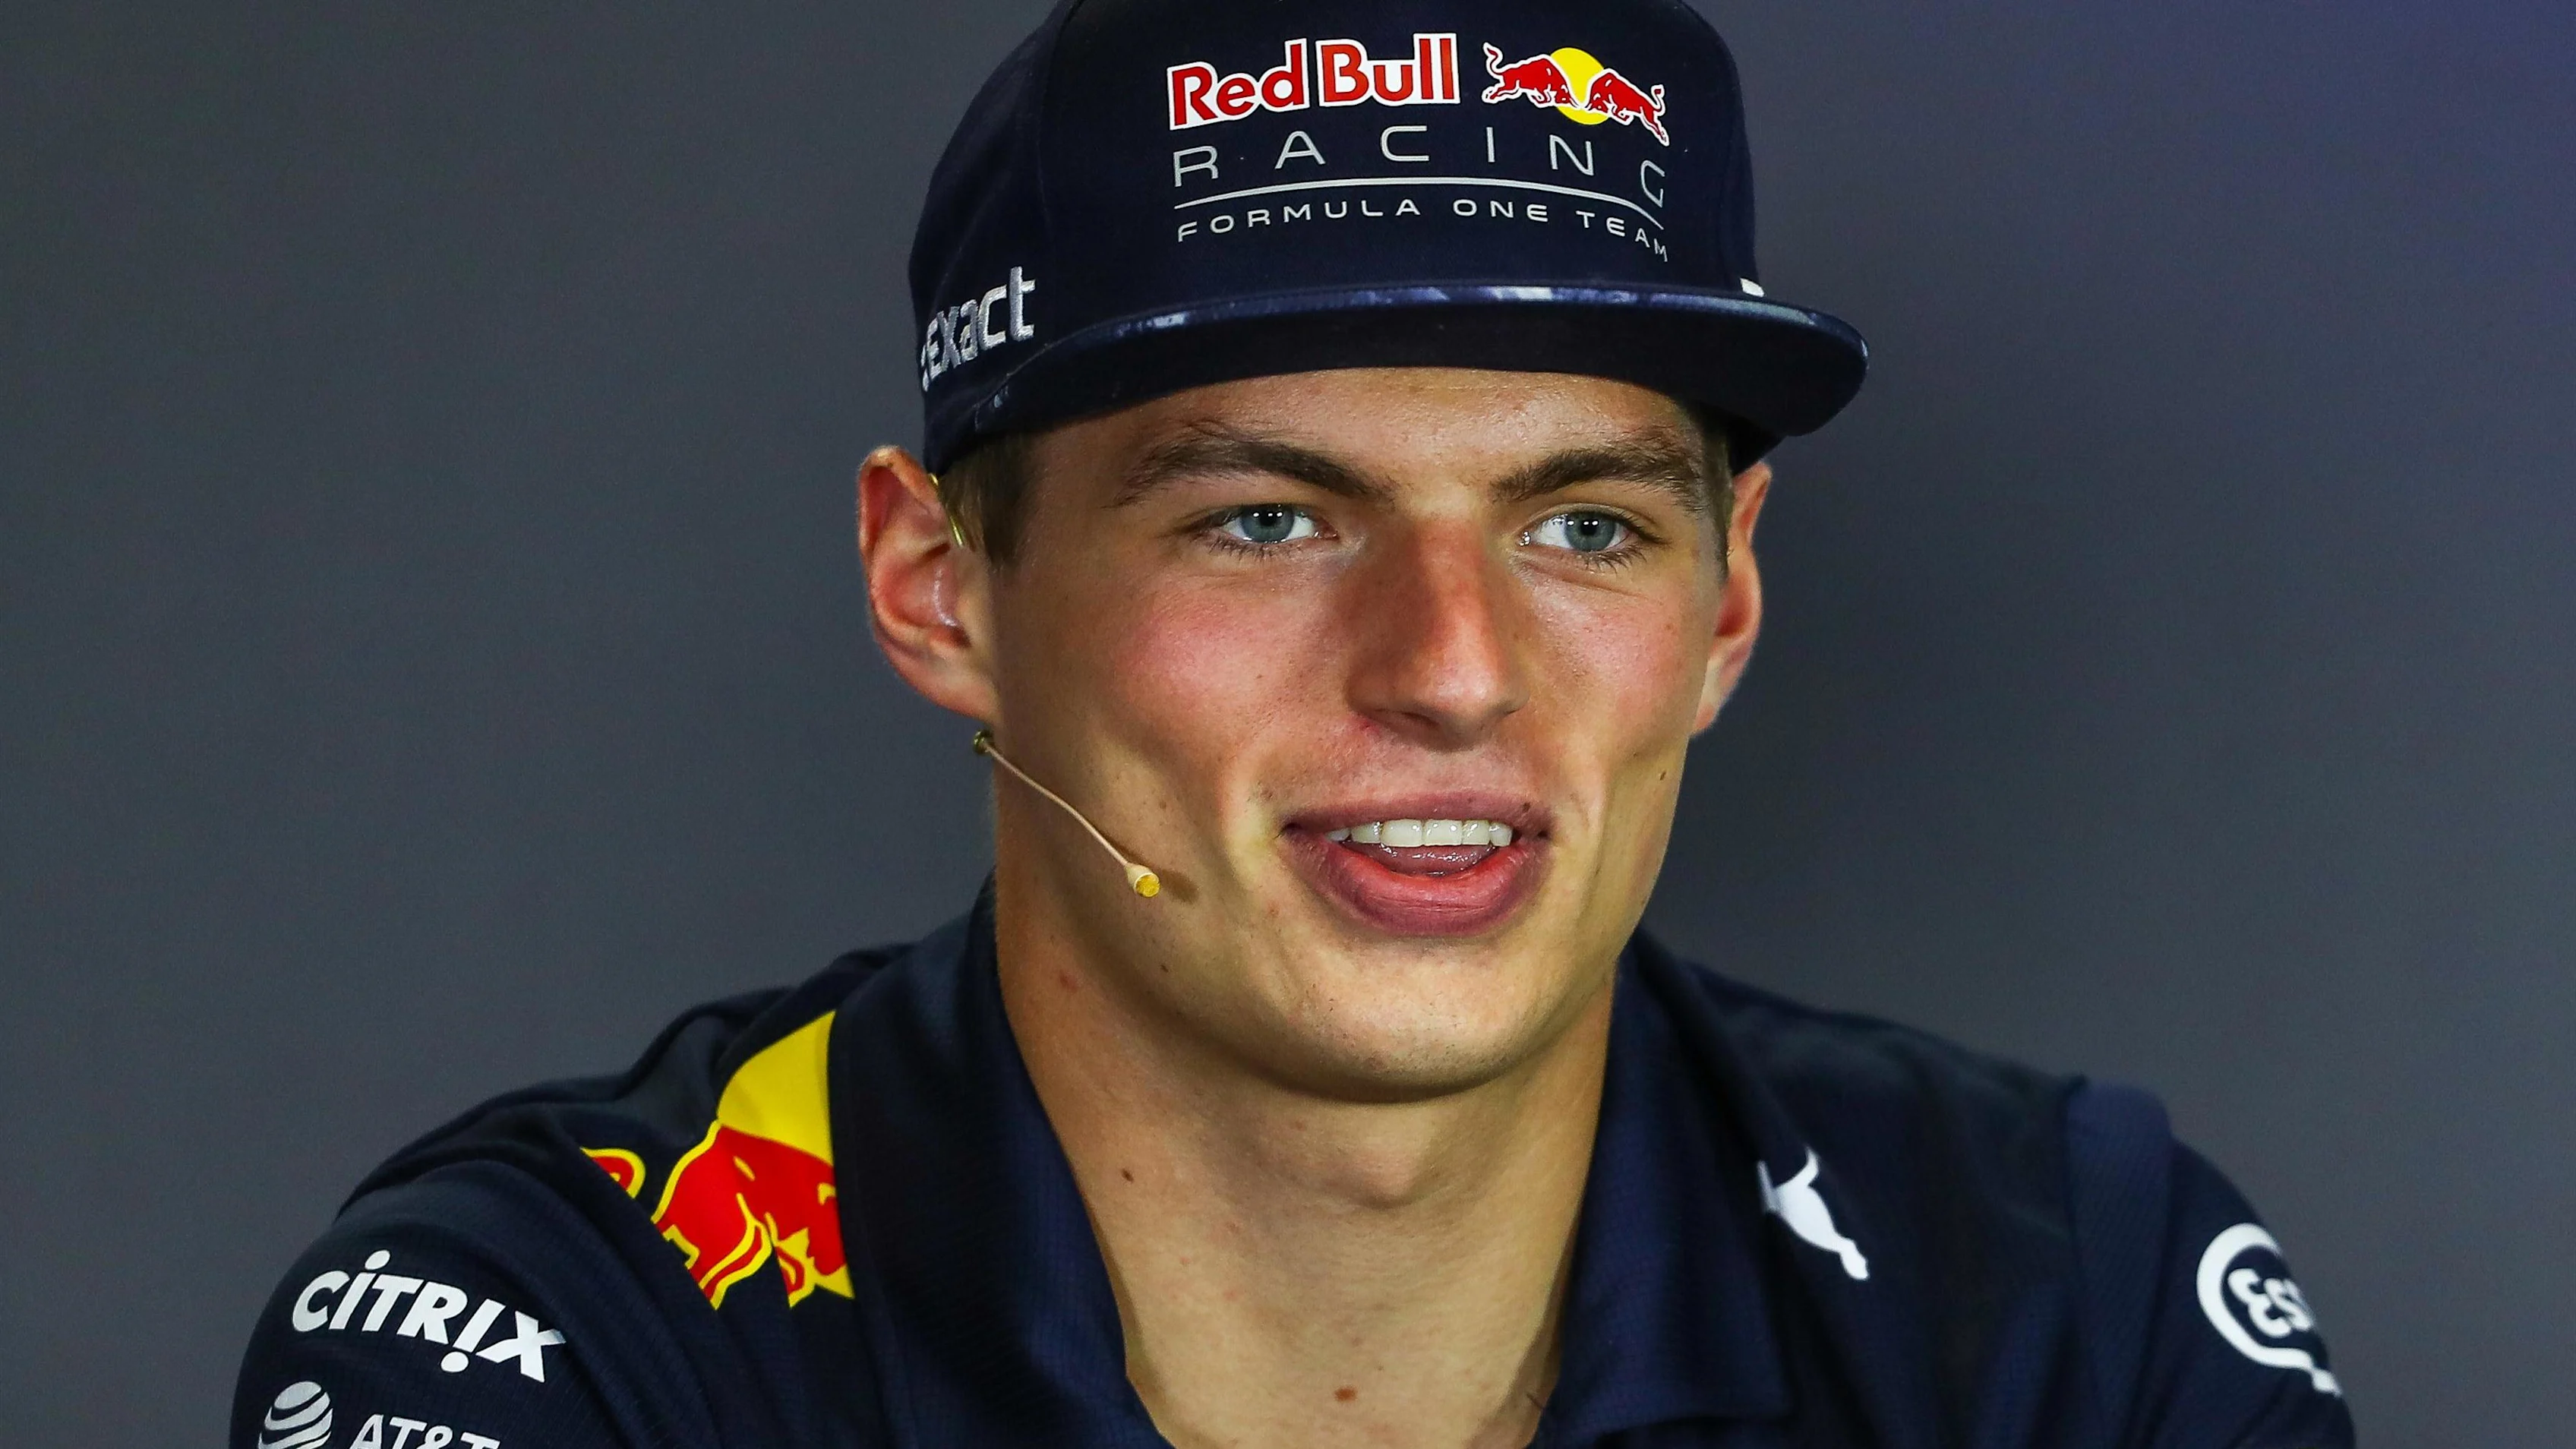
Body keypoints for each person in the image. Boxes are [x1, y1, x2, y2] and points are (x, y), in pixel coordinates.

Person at [232, 1, 2357, 1445]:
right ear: (939, 586)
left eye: (1585, 526)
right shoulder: (556, 1332)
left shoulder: (2074, 1304)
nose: (1450, 666)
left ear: (1725, 604)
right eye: (1263, 518)